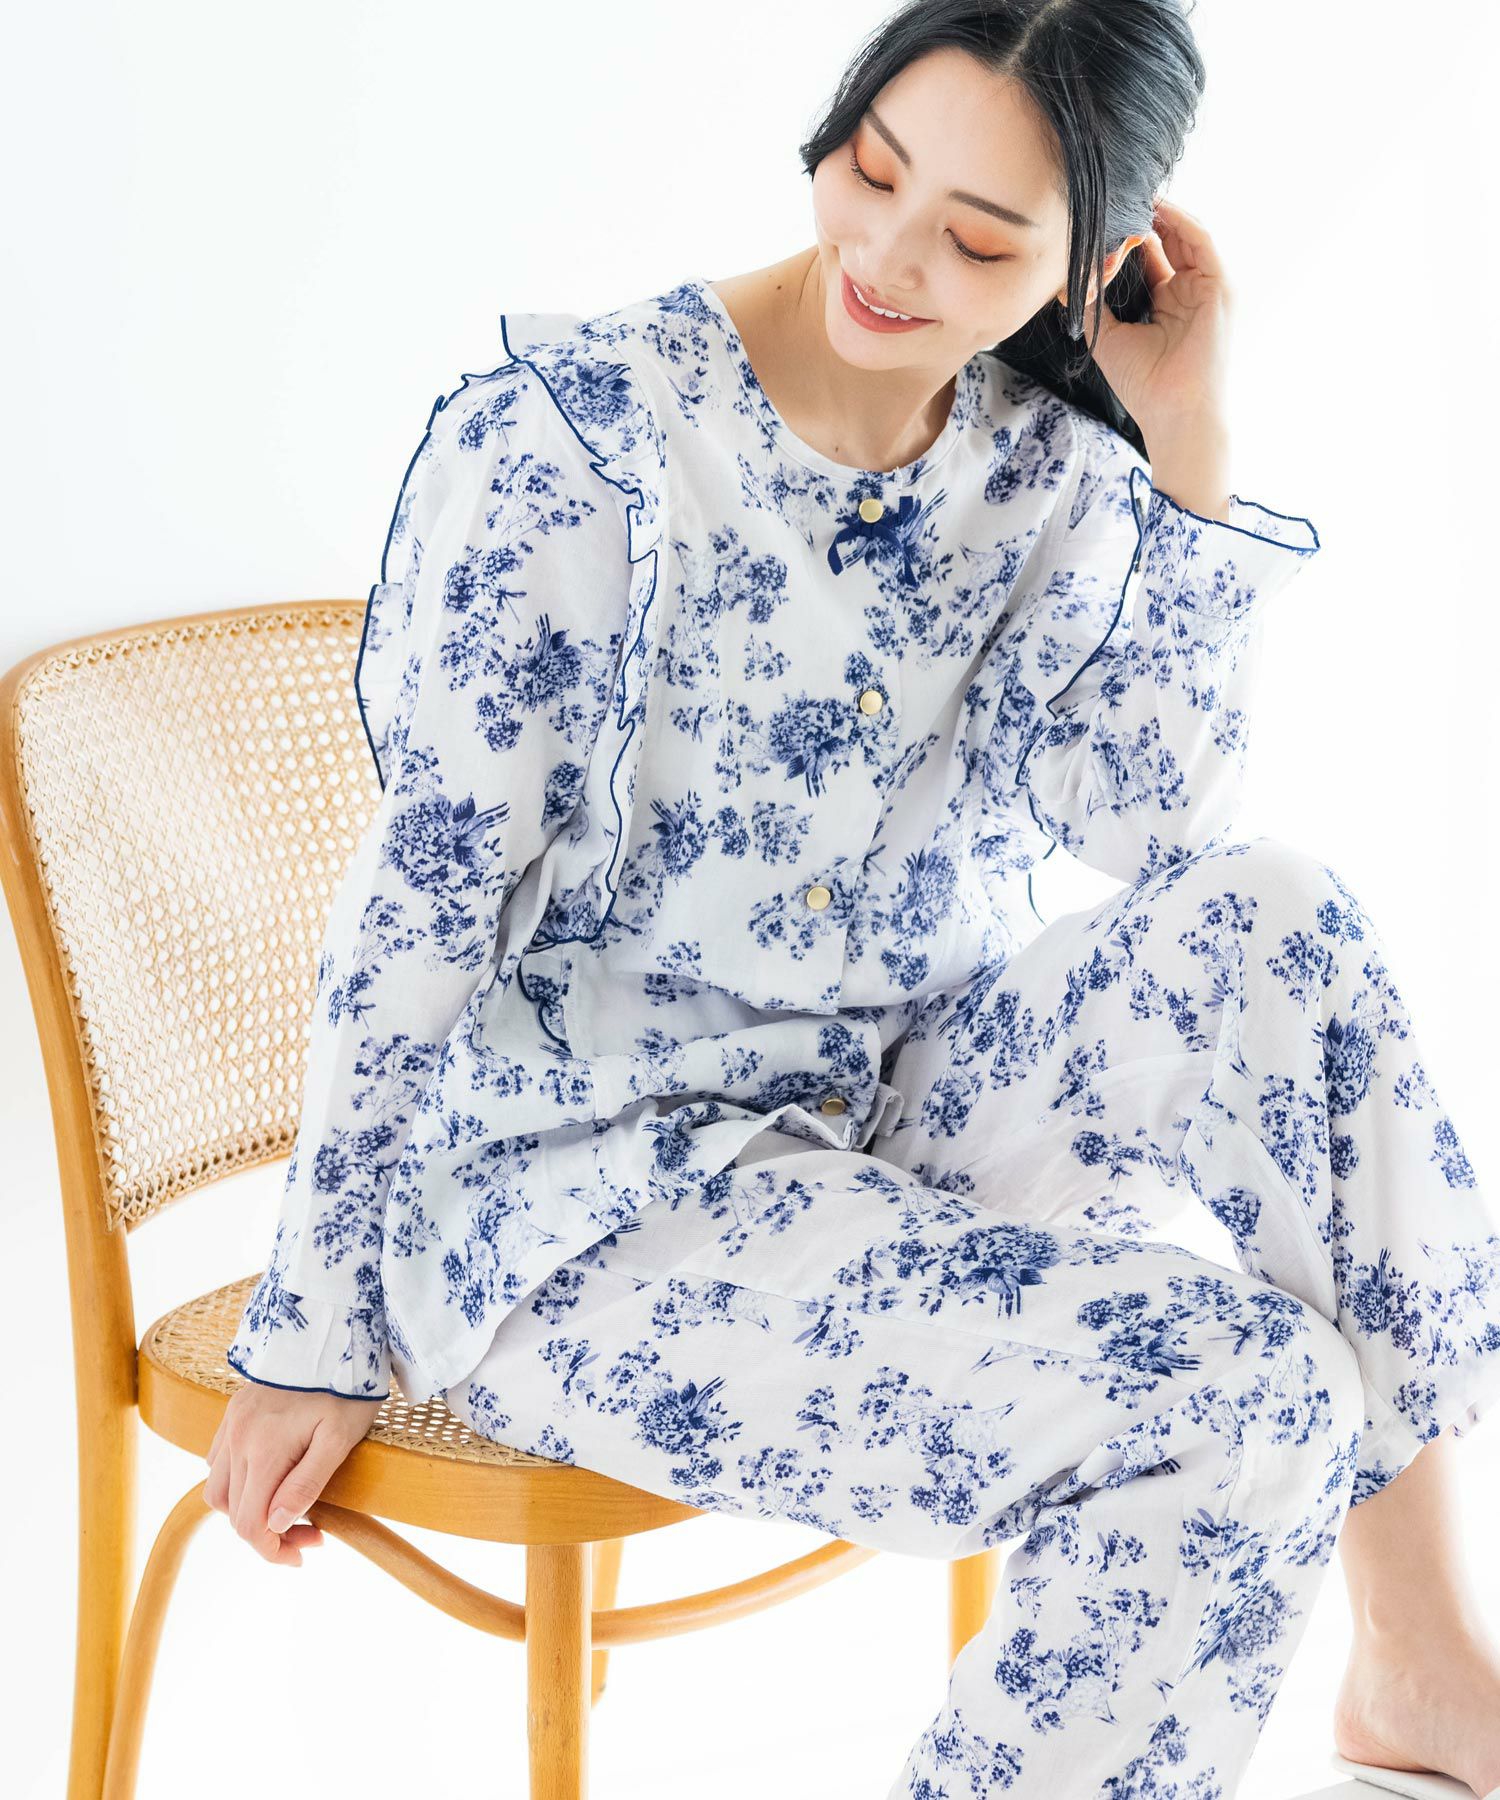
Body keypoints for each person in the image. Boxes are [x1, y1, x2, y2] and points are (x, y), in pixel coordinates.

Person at [202, 2, 1500, 1793]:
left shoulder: (1040, 452)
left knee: (1276, 913)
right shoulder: (585, 446)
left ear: (1091, 264)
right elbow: (421, 909)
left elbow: (1156, 822)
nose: (888, 258)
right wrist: (313, 1327)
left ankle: (1422, 1656)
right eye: (872, 172)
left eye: (979, 238)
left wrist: (1185, 437)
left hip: (892, 1115)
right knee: (1246, 1396)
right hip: (583, 1199)